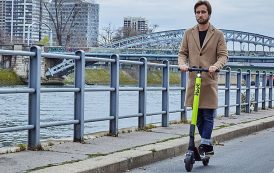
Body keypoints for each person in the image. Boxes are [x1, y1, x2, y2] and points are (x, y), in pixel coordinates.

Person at [178, 0, 228, 155]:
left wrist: (215, 66)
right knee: (196, 116)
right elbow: (182, 53)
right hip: (194, 80)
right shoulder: (188, 33)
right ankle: (207, 145)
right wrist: (182, 64)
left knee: (207, 114)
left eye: (203, 12)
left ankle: (205, 145)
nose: (200, 15)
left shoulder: (218, 34)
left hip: (208, 79)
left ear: (209, 14)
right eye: (198, 12)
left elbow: (223, 56)